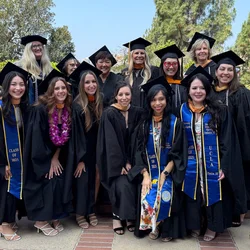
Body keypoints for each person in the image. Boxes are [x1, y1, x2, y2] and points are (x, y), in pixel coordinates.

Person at [179, 66, 246, 241]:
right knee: (194, 193)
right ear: (189, 90)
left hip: (213, 163)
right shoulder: (182, 111)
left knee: (213, 192)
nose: (198, 91)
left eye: (202, 88)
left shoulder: (219, 110)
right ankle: (195, 224)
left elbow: (227, 141)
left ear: (207, 90)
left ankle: (212, 226)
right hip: (191, 163)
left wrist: (224, 166)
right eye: (194, 88)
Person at [128, 76, 187, 241]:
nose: (158, 103)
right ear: (149, 102)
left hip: (168, 171)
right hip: (148, 171)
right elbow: (138, 151)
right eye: (154, 100)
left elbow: (178, 153)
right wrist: (145, 174)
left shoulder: (176, 124)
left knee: (166, 191)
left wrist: (165, 174)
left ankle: (162, 227)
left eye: (161, 99)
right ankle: (152, 225)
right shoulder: (144, 124)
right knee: (146, 190)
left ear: (167, 100)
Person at [23, 69, 72, 236]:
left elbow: (64, 137)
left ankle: (55, 216)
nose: (60, 91)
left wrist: (55, 157)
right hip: (39, 158)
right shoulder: (40, 110)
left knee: (59, 179)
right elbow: (36, 141)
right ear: (51, 91)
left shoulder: (65, 109)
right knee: (49, 180)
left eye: (63, 88)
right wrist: (47, 161)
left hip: (53, 155)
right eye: (57, 88)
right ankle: (41, 221)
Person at [97, 81, 143, 235]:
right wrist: (121, 164)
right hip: (114, 162)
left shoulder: (138, 112)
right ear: (115, 96)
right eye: (121, 94)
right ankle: (117, 217)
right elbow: (110, 143)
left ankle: (129, 217)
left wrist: (132, 162)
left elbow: (139, 139)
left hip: (134, 160)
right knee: (121, 183)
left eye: (127, 94)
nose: (124, 97)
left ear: (132, 95)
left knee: (135, 182)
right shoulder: (109, 113)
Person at [211, 50, 250, 221]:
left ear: (234, 73)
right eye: (222, 69)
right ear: (216, 71)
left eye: (229, 70)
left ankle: (239, 212)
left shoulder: (241, 93)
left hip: (238, 143)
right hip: (216, 142)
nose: (225, 73)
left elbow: (245, 122)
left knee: (236, 177)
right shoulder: (211, 92)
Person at [66, 62, 103, 229]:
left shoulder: (100, 101)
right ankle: (80, 213)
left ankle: (91, 209)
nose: (91, 85)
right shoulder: (77, 105)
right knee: (82, 180)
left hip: (97, 148)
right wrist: (80, 159)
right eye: (87, 82)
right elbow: (76, 136)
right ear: (82, 85)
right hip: (82, 151)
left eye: (93, 82)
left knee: (94, 180)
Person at [0, 63, 29, 241]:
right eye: (14, 84)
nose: (18, 88)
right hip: (3, 160)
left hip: (18, 159)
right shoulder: (1, 108)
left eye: (21, 84)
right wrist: (2, 164)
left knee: (14, 186)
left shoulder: (23, 109)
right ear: (6, 86)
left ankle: (10, 220)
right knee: (6, 184)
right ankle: (3, 224)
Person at [121, 37, 159, 107]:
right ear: (132, 55)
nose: (139, 55)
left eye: (142, 53)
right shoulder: (125, 73)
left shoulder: (153, 71)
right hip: (130, 112)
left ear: (145, 55)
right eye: (136, 53)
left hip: (148, 112)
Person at [17, 35, 52, 104]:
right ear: (28, 49)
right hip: (27, 109)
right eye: (34, 46)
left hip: (46, 109)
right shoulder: (20, 67)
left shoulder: (48, 69)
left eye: (40, 45)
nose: (38, 48)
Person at [154, 44, 187, 112]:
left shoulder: (183, 85)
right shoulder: (155, 84)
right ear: (162, 65)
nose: (171, 67)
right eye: (168, 63)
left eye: (174, 64)